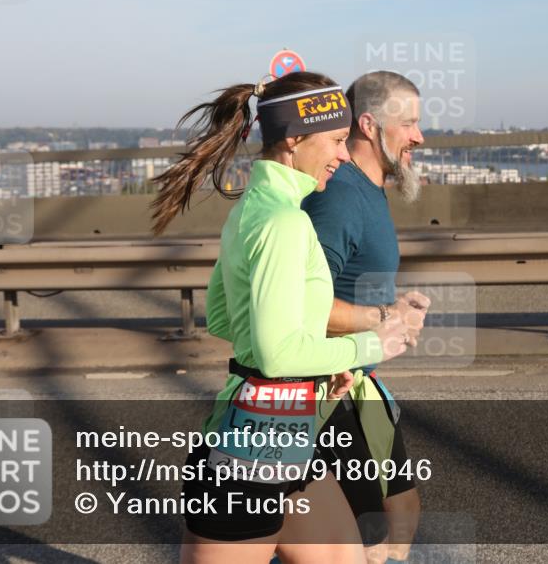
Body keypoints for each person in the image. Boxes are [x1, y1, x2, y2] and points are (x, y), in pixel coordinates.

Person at [150, 71, 417, 564]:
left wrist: (317, 365)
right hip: (249, 455)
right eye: (336, 141)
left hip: (286, 437)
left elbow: (227, 321)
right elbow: (275, 355)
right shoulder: (286, 222)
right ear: (294, 139)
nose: (343, 154)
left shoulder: (252, 208)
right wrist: (374, 343)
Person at [302, 71, 428, 564]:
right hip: (327, 385)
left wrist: (394, 318)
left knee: (398, 511)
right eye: (410, 124)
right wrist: (383, 316)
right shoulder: (341, 198)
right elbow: (302, 305)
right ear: (370, 124)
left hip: (356, 377)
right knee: (366, 532)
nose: (419, 135)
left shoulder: (366, 189)